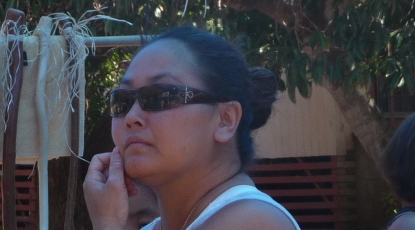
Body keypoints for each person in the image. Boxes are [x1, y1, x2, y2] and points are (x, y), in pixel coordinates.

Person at [84, 26, 299, 230]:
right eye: (122, 100)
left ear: (225, 120)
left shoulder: (253, 221)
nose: (131, 117)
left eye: (160, 96)